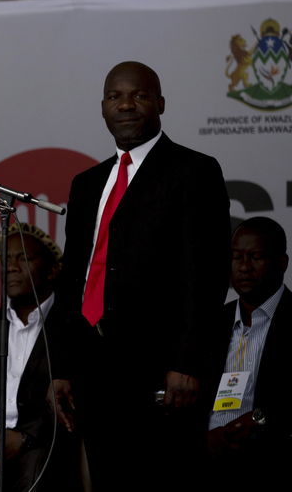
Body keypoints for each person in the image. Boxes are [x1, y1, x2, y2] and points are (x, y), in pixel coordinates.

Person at [48, 61, 232, 491]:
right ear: (102, 107)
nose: (126, 105)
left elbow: (205, 274)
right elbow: (74, 277)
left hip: (160, 370)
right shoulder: (87, 183)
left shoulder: (194, 171)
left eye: (139, 95)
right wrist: (62, 366)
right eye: (115, 96)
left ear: (161, 103)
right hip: (95, 372)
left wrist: (186, 363)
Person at [0, 223, 82, 492]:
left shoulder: (73, 328)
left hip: (39, 445)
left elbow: (73, 403)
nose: (11, 267)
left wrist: (25, 439)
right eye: (6, 259)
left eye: (24, 259)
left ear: (52, 270)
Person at [205, 217, 291, 491]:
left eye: (255, 257)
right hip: (208, 460)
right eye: (236, 257)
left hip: (271, 459)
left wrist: (258, 420)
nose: (244, 267)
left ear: (282, 263)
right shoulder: (209, 324)